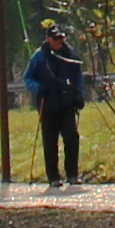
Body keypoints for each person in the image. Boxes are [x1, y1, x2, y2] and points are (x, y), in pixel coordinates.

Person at [23, 25, 88, 189]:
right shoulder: (39, 57)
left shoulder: (70, 54)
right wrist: (38, 89)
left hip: (67, 104)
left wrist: (79, 95)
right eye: (55, 38)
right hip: (47, 105)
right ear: (48, 39)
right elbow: (27, 78)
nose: (59, 41)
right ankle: (53, 177)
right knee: (50, 142)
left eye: (61, 38)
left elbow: (78, 76)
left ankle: (72, 174)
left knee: (71, 138)